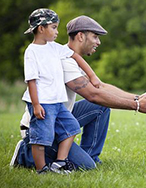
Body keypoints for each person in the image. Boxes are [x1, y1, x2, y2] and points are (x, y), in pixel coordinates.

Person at [10, 15, 146, 170]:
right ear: (80, 36)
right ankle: (25, 152)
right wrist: (137, 106)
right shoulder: (63, 60)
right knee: (86, 166)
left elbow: (100, 87)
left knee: (101, 108)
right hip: (43, 122)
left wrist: (136, 98)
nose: (98, 42)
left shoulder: (69, 56)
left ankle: (90, 155)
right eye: (95, 37)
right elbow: (93, 95)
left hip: (59, 118)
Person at [22, 9, 101, 174]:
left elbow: (76, 56)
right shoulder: (31, 52)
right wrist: (36, 105)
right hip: (42, 102)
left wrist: (92, 76)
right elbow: (31, 80)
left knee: (71, 127)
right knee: (42, 136)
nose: (58, 32)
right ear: (41, 28)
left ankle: (59, 162)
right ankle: (37, 166)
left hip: (57, 102)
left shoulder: (54, 48)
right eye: (54, 27)